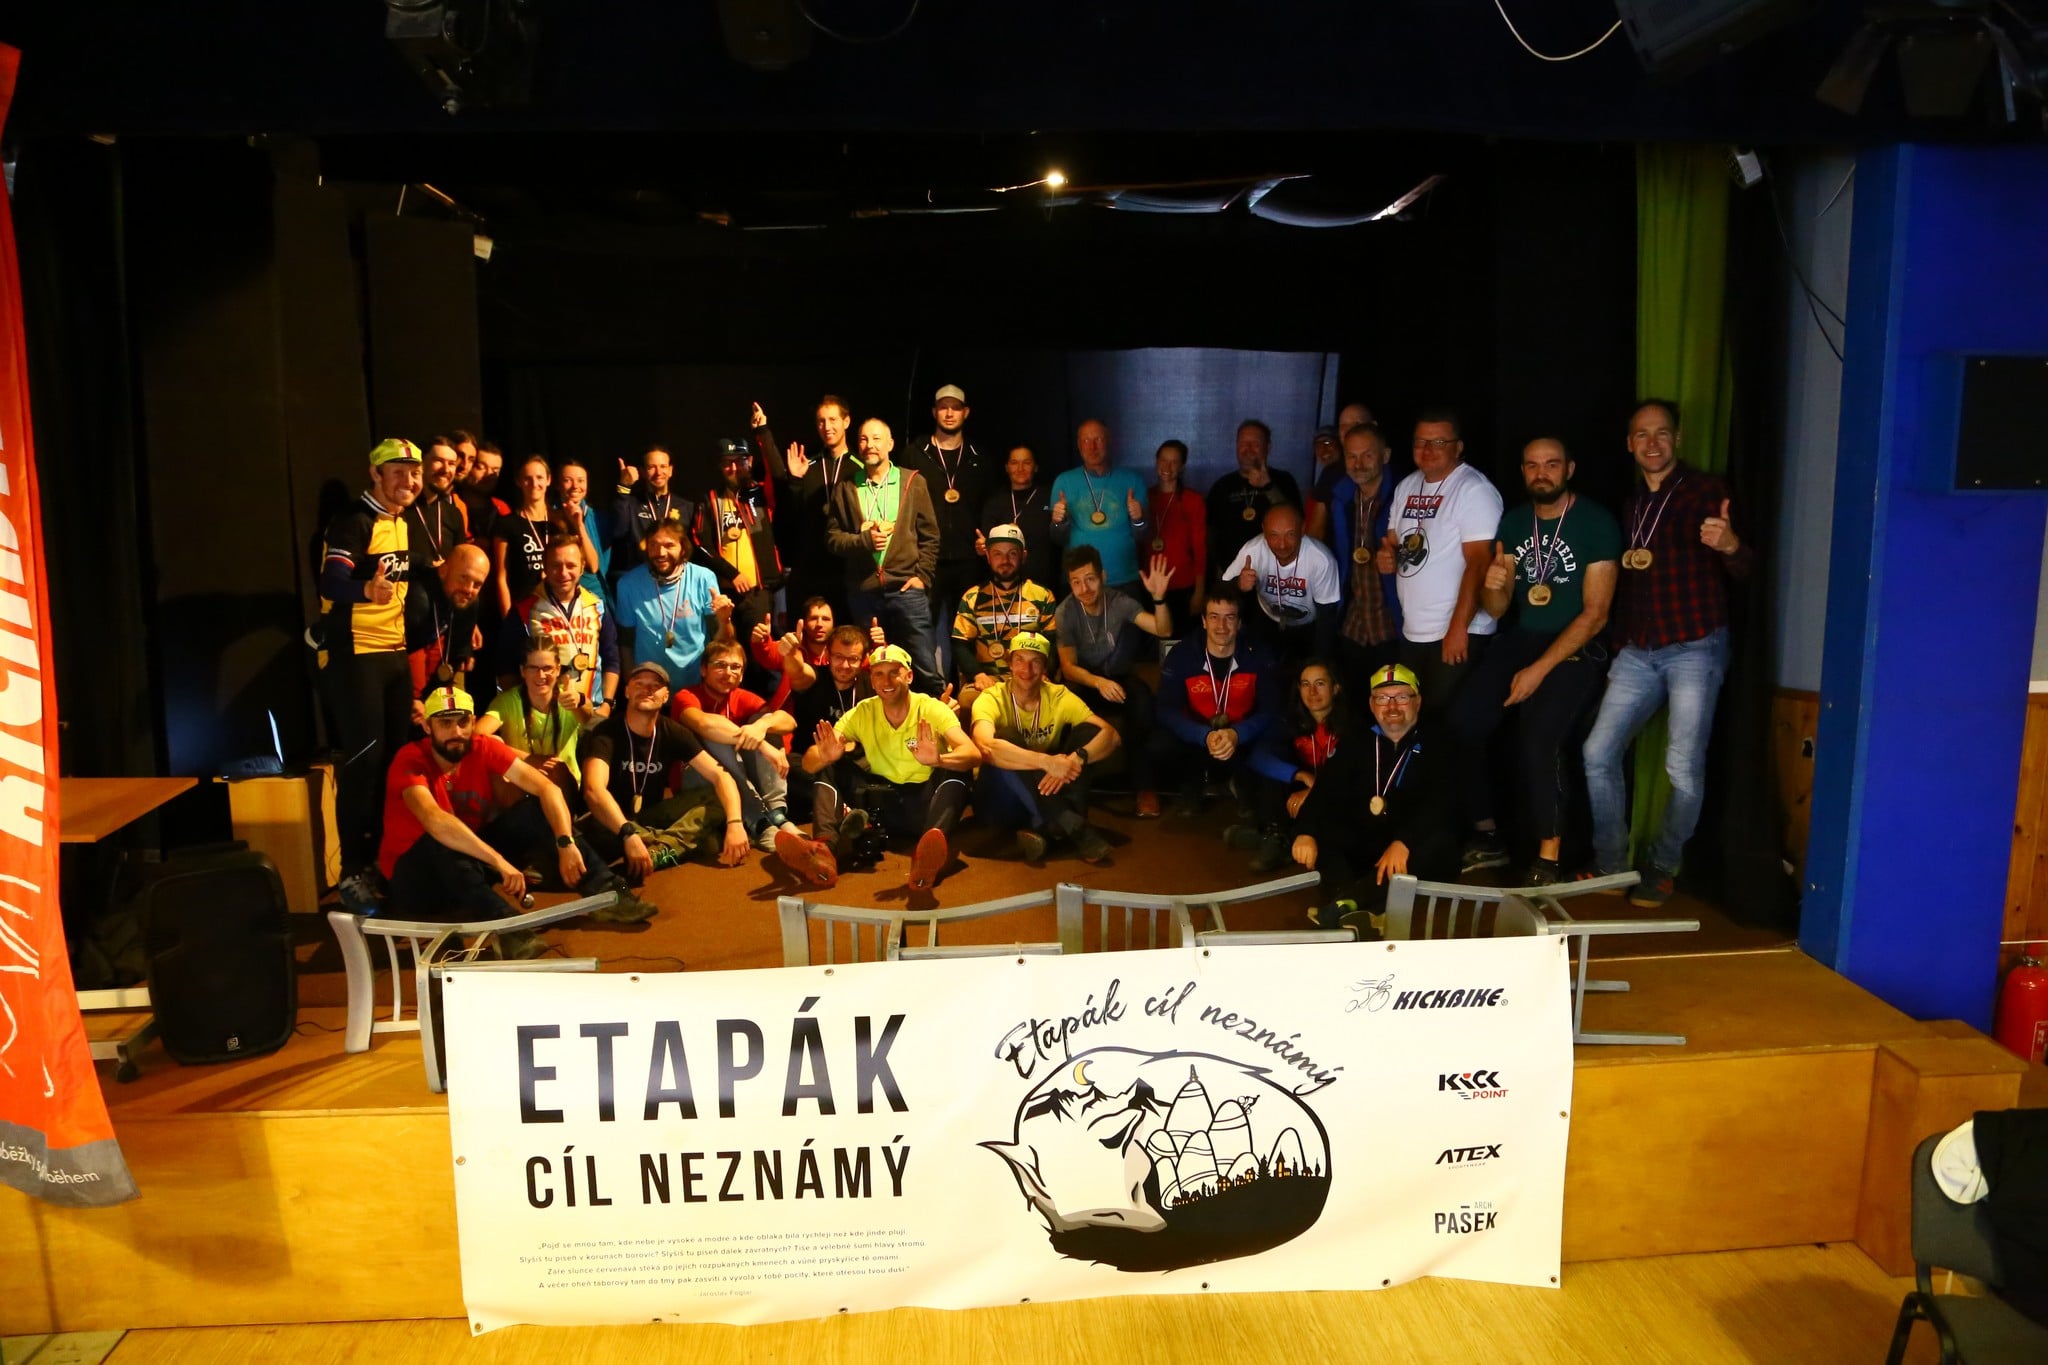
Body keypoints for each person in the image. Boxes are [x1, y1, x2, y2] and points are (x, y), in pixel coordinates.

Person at [1581, 399, 1755, 907]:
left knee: (1682, 766)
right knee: (1596, 753)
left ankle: (1662, 865)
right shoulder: (1633, 503)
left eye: (1661, 433)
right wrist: (1620, 647)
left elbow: (1747, 571)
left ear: (1677, 439)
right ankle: (1611, 863)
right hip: (1639, 649)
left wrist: (1730, 545)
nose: (1652, 443)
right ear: (1629, 444)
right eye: (1642, 434)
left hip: (1695, 646)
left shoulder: (1707, 491)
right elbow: (1633, 581)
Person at [1445, 437, 1620, 884]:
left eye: (1552, 464)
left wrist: (1538, 671)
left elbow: (1596, 614)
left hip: (1577, 643)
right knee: (1462, 721)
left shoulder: (1596, 521)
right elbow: (1498, 608)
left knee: (1539, 736)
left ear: (1569, 469)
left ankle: (1548, 857)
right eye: (1532, 465)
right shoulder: (1516, 521)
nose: (1542, 473)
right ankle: (1488, 837)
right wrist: (1494, 586)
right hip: (1522, 637)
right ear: (1523, 471)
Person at [378, 687, 654, 956]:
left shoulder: (481, 746)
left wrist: (565, 841)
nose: (457, 732)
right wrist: (498, 861)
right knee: (441, 842)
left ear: (473, 722)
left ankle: (608, 892)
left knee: (532, 811)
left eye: (463, 722)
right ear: (427, 727)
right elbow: (435, 820)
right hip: (417, 880)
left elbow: (547, 789)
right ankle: (508, 929)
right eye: (445, 723)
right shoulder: (410, 759)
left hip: (467, 864)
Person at [317, 438, 426, 904]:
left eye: (414, 473)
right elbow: (330, 581)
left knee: (394, 764)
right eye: (397, 471)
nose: (409, 481)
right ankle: (351, 871)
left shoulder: (399, 521)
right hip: (357, 656)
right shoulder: (354, 520)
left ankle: (386, 860)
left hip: (393, 655)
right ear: (375, 474)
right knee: (363, 765)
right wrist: (365, 590)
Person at [799, 644, 978, 892]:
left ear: (909, 676)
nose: (886, 681)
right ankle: (824, 851)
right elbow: (808, 764)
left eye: (894, 672)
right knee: (828, 765)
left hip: (924, 806)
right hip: (881, 804)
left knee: (958, 769)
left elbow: (973, 754)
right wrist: (824, 757)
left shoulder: (931, 708)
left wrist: (939, 760)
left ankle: (927, 854)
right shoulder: (862, 711)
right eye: (879, 674)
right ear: (872, 680)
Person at [1297, 663, 1457, 931]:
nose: (1392, 706)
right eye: (1382, 698)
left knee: (1438, 841)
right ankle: (1359, 907)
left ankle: (1344, 905)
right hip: (1368, 840)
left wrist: (1404, 841)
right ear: (1372, 705)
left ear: (1418, 701)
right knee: (1323, 829)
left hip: (1409, 843)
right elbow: (1326, 789)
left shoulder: (1440, 741)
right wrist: (1306, 832)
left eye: (1401, 697)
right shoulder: (1357, 739)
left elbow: (1442, 801)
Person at [1377, 410, 1503, 707]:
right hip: (1414, 629)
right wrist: (1386, 557)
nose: (1428, 450)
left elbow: (1479, 562)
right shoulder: (1407, 486)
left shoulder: (1474, 489)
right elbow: (1393, 544)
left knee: (1445, 719)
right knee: (1417, 716)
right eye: (1420, 442)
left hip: (1459, 630)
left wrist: (1458, 628)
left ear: (1458, 448)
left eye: (1438, 442)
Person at [579, 661, 752, 878]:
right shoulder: (605, 732)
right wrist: (628, 834)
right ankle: (666, 844)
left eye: (655, 686)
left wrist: (735, 823)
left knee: (717, 800)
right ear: (627, 691)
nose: (647, 689)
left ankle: (659, 851)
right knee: (709, 842)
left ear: (665, 696)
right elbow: (593, 790)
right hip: (611, 821)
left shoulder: (672, 731)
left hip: (649, 816)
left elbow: (720, 776)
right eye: (639, 683)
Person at [970, 631, 1118, 865]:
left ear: (1045, 667)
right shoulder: (991, 698)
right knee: (1005, 737)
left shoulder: (1058, 695)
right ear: (1009, 664)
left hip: (1044, 793)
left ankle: (1048, 827)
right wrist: (1047, 762)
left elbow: (1111, 735)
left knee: (1089, 733)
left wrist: (1075, 760)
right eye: (1019, 660)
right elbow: (986, 747)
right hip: (998, 799)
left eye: (1035, 661)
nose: (1026, 669)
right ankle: (1073, 825)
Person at [1053, 545, 1176, 817]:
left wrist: (1158, 599)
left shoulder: (1119, 601)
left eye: (1090, 579)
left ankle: (1145, 788)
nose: (1084, 588)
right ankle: (1070, 791)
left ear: (1103, 576)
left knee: (1142, 702)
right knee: (1067, 704)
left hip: (1118, 677)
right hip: (1084, 680)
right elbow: (1068, 667)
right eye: (1076, 582)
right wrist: (1098, 683)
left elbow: (1163, 629)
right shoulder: (1066, 611)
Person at [826, 418, 945, 694]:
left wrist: (922, 577)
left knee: (924, 666)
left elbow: (930, 535)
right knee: (871, 669)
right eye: (864, 439)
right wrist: (863, 541)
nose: (870, 445)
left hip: (907, 590)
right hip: (864, 591)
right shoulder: (846, 487)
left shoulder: (912, 482)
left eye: (877, 439)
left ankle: (937, 718)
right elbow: (832, 539)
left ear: (890, 444)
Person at [1152, 586, 1278, 817]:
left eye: (1229, 618)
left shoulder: (1259, 654)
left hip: (1241, 738)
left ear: (1239, 623)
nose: (1221, 626)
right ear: (1203, 621)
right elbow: (1166, 709)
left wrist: (1238, 733)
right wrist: (1203, 735)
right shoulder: (1182, 654)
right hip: (1197, 736)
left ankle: (1243, 785)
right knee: (1160, 742)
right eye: (1214, 617)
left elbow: (1270, 709)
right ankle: (1192, 784)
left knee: (1272, 735)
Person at [1236, 658, 1365, 875]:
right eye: (1305, 684)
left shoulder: (1353, 724)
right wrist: (1299, 775)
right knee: (1275, 772)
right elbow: (1259, 756)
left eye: (1320, 683)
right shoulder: (1290, 719)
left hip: (1338, 795)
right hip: (1303, 794)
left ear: (1336, 688)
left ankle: (1276, 837)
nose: (1312, 692)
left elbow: (1354, 775)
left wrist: (1317, 790)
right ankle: (1277, 834)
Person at [671, 637, 800, 851]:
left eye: (735, 667)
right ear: (703, 669)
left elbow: (789, 721)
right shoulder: (686, 696)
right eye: (720, 665)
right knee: (717, 738)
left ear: (741, 675)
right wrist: (761, 745)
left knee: (766, 723)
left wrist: (762, 726)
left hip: (738, 780)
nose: (728, 672)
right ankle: (758, 822)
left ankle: (777, 814)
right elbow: (704, 724)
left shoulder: (741, 696)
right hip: (694, 781)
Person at [774, 623, 873, 885]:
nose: (845, 665)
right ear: (828, 655)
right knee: (796, 764)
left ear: (863, 660)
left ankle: (825, 847)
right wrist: (790, 655)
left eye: (853, 659)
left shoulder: (871, 685)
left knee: (838, 767)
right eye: (839, 657)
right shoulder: (815, 679)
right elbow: (798, 672)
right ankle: (849, 816)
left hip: (853, 770)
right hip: (809, 765)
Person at [900, 385, 995, 623]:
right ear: (934, 412)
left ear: (966, 412)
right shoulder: (914, 454)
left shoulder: (979, 457)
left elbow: (991, 504)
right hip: (926, 559)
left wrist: (988, 537)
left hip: (969, 559)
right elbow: (902, 504)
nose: (950, 413)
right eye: (943, 407)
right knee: (921, 628)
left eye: (956, 408)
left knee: (966, 629)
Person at [500, 537, 618, 726]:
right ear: (545, 568)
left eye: (571, 565)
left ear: (582, 567)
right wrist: (523, 711)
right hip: (545, 719)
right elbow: (506, 668)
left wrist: (607, 704)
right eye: (556, 566)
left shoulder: (598, 606)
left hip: (592, 713)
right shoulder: (524, 610)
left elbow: (611, 659)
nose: (563, 573)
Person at [1323, 422, 1403, 686]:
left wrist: (1400, 560)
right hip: (1353, 625)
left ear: (1385, 455)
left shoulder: (1403, 497)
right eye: (1351, 456)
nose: (1358, 464)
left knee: (1391, 701)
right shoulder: (1340, 499)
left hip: (1392, 625)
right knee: (1353, 701)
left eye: (1367, 455)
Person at [950, 523, 1057, 712]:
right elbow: (960, 645)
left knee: (1054, 699)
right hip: (988, 680)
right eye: (998, 554)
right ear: (988, 557)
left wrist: (1045, 671)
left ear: (1023, 556)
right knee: (967, 702)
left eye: (1012, 554)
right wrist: (978, 675)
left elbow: (1053, 642)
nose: (1005, 560)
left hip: (1030, 676)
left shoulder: (1042, 596)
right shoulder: (972, 597)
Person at [773, 394, 859, 619]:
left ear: (846, 421)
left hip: (846, 571)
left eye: (832, 420)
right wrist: (795, 481)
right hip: (809, 569)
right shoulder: (806, 465)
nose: (827, 427)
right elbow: (787, 519)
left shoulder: (860, 468)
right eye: (821, 421)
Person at [613, 521, 728, 689]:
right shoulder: (628, 584)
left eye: (669, 545)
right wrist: (631, 685)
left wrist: (725, 621)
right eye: (654, 545)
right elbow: (625, 643)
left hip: (696, 687)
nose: (660, 553)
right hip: (650, 688)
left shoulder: (703, 578)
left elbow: (721, 642)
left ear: (683, 548)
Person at [694, 436, 784, 648]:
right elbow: (699, 543)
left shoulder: (761, 494)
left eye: (739, 461)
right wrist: (732, 574)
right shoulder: (710, 499)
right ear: (720, 466)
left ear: (750, 461)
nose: (733, 468)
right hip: (724, 595)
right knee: (726, 652)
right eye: (727, 463)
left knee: (760, 652)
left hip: (759, 593)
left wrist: (762, 433)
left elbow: (779, 474)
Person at [1227, 502, 1342, 665]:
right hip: (1267, 619)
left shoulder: (1321, 559)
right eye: (1274, 535)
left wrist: (1320, 663)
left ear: (1302, 529)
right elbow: (1221, 593)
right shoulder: (1252, 551)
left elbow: (1326, 618)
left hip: (1309, 626)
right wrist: (1239, 585)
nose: (1282, 545)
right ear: (1264, 531)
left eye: (1290, 534)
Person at [1050, 419, 1149, 596]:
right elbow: (1057, 539)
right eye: (1086, 440)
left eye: (1098, 439)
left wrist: (1138, 520)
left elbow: (1142, 537)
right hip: (1079, 581)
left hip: (1123, 579)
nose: (1092, 447)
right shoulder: (1064, 481)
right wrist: (1059, 522)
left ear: (1108, 441)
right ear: (1079, 445)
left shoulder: (1132, 480)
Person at [477, 644, 583, 796]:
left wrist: (581, 700)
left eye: (547, 668)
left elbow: (588, 715)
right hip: (523, 788)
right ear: (523, 671)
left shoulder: (569, 698)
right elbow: (477, 736)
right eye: (533, 668)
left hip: (564, 787)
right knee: (493, 743)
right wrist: (528, 759)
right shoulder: (508, 701)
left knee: (557, 773)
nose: (541, 675)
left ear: (558, 669)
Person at [1205, 420, 1302, 583]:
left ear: (1268, 447)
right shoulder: (1222, 486)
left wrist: (1268, 486)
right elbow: (1209, 534)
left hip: (1277, 577)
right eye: (1243, 443)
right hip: (1232, 577)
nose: (1248, 449)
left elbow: (1297, 523)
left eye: (1255, 444)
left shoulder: (1283, 480)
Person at [405, 542, 489, 698]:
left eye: (477, 584)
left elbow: (457, 652)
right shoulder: (418, 599)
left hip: (435, 677)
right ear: (443, 571)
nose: (469, 589)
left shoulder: (470, 601)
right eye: (463, 578)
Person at [1146, 439, 1206, 637]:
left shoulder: (1193, 500)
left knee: (1181, 642)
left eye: (1174, 462)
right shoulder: (1144, 497)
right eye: (1163, 460)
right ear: (1156, 462)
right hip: (1150, 585)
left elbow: (1200, 549)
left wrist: (1199, 592)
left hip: (1183, 586)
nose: (1167, 467)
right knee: (1154, 643)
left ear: (1182, 467)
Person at [977, 445, 1057, 594]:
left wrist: (1061, 521)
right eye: (1014, 463)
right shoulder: (994, 502)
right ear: (1007, 467)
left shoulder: (1048, 497)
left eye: (1026, 462)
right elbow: (987, 542)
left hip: (1043, 583)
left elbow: (1058, 535)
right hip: (1005, 584)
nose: (1020, 468)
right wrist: (983, 546)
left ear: (1036, 467)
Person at [609, 444, 696, 579]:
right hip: (640, 577)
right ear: (642, 472)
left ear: (670, 470)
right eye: (651, 467)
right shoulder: (630, 504)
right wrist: (624, 487)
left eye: (663, 466)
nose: (658, 472)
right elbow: (617, 531)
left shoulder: (686, 507)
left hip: (676, 579)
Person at [493, 455, 555, 619]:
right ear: (519, 482)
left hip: (557, 611)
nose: (534, 483)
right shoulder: (506, 524)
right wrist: (509, 620)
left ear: (548, 480)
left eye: (539, 477)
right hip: (524, 611)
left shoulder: (560, 522)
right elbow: (501, 576)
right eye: (527, 478)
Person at [550, 458, 609, 604]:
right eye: (567, 480)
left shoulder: (598, 518)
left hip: (595, 597)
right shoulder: (548, 516)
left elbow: (594, 566)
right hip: (559, 598)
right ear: (557, 484)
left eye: (581, 480)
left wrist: (579, 525)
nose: (575, 486)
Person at [413, 437, 471, 567]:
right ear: (421, 464)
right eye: (438, 461)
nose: (446, 469)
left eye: (451, 464)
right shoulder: (401, 509)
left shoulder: (454, 513)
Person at [458, 438, 506, 547]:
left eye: (495, 470)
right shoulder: (452, 503)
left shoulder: (501, 509)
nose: (488, 474)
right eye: (481, 467)